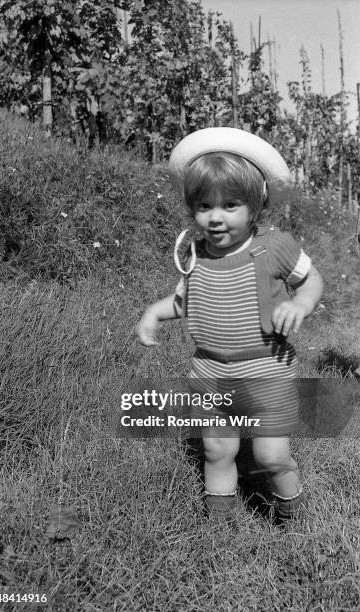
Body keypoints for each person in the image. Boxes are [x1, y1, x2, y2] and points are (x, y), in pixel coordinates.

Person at [136, 128, 323, 525]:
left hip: (266, 373)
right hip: (211, 375)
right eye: (204, 205)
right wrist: (156, 311)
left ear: (255, 206)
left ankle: (294, 518)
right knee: (218, 450)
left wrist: (301, 303)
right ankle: (218, 526)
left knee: (271, 455)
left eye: (231, 204)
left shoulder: (273, 247)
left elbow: (310, 279)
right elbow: (186, 301)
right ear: (192, 208)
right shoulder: (196, 255)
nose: (215, 217)